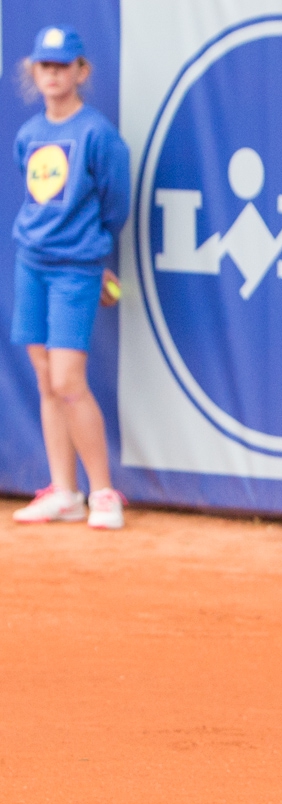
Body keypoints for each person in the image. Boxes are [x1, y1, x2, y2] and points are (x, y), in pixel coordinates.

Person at [10, 25, 129, 530]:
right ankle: (64, 492)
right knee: (44, 378)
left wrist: (96, 255)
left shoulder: (98, 135)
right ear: (33, 72)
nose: (53, 74)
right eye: (45, 66)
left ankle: (103, 492)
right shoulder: (29, 135)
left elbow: (116, 202)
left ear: (81, 71)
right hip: (30, 263)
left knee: (68, 381)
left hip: (76, 269)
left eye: (63, 66)